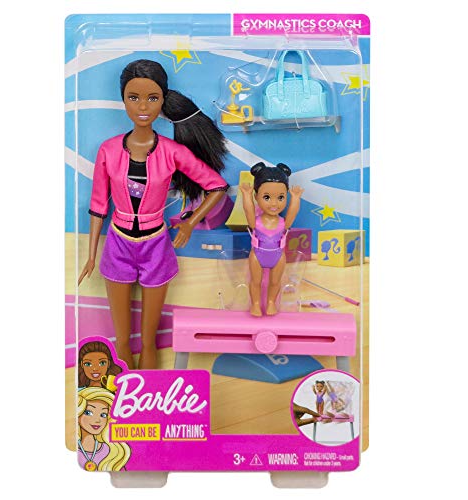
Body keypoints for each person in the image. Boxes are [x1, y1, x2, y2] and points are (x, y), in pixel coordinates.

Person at [78, 59, 229, 369]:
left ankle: (149, 393)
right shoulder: (108, 150)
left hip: (156, 244)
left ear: (163, 101)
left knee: (148, 339)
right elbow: (99, 205)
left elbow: (216, 186)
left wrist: (190, 223)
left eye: (152, 98)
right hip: (118, 243)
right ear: (123, 100)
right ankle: (124, 391)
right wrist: (92, 254)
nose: (143, 106)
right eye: (133, 97)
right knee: (122, 339)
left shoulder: (172, 151)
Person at [240, 162, 303, 316]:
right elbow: (248, 210)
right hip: (257, 255)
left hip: (278, 256)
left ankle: (271, 303)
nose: (274, 203)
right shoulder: (255, 222)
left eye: (281, 197)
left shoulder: (283, 223)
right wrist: (246, 195)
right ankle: (255, 304)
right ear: (257, 197)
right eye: (267, 197)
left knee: (275, 282)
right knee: (255, 282)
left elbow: (292, 213)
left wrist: (295, 198)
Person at [77, 387, 131, 471]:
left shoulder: (113, 452)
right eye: (89, 413)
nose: (97, 420)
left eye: (103, 415)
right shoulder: (71, 450)